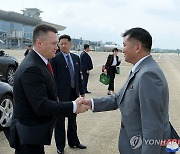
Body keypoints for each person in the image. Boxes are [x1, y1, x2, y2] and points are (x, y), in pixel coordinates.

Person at [81, 27, 174, 154]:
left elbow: (152, 126)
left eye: (124, 45)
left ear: (137, 47)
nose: (122, 49)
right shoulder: (141, 69)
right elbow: (119, 98)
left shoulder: (148, 74)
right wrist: (91, 103)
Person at [9, 24, 89, 154]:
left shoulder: (41, 62)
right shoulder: (32, 68)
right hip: (28, 135)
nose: (57, 47)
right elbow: (41, 106)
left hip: (33, 133)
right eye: (54, 43)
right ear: (40, 43)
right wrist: (73, 106)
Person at [50, 35, 87, 154]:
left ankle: (74, 142)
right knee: (59, 122)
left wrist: (82, 92)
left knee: (72, 120)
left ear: (70, 44)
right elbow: (52, 78)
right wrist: (54, 95)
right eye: (61, 44)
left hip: (73, 94)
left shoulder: (76, 58)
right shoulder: (55, 58)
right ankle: (60, 147)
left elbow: (79, 77)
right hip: (60, 96)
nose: (63, 46)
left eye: (65, 43)